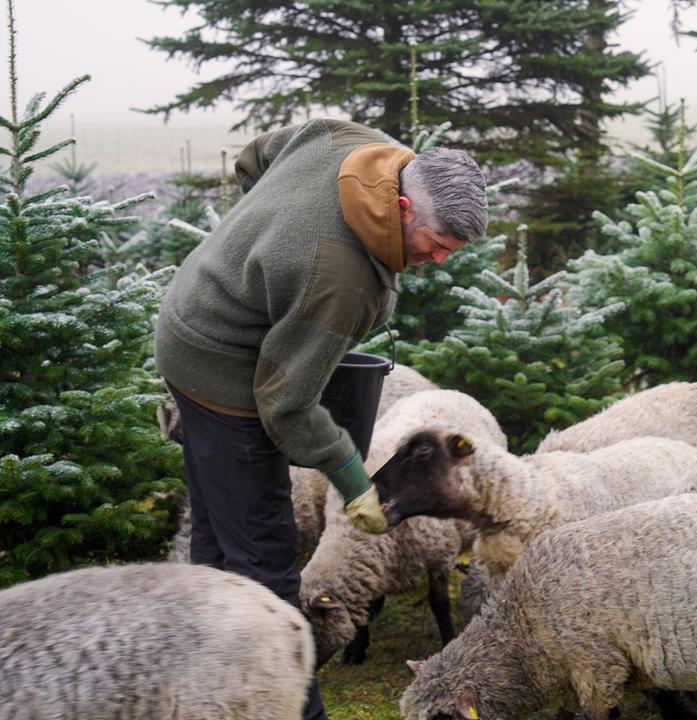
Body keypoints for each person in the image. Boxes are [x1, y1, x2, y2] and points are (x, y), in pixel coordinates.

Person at [153, 119, 488, 720]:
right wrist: (354, 479)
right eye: (436, 243)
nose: (438, 260)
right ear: (403, 206)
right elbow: (284, 405)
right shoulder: (341, 278)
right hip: (221, 370)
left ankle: (205, 685)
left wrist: (257, 248)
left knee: (216, 535)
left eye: (451, 251)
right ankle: (294, 709)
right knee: (265, 556)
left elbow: (256, 156)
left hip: (189, 319)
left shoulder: (357, 144)